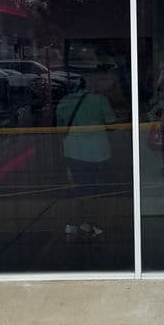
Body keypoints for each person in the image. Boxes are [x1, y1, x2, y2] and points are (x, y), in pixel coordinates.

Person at [55, 69, 116, 240]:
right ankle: (88, 222)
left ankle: (74, 222)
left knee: (79, 186)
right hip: (97, 152)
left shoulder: (64, 101)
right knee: (95, 189)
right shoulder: (100, 100)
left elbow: (59, 128)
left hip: (72, 151)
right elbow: (112, 124)